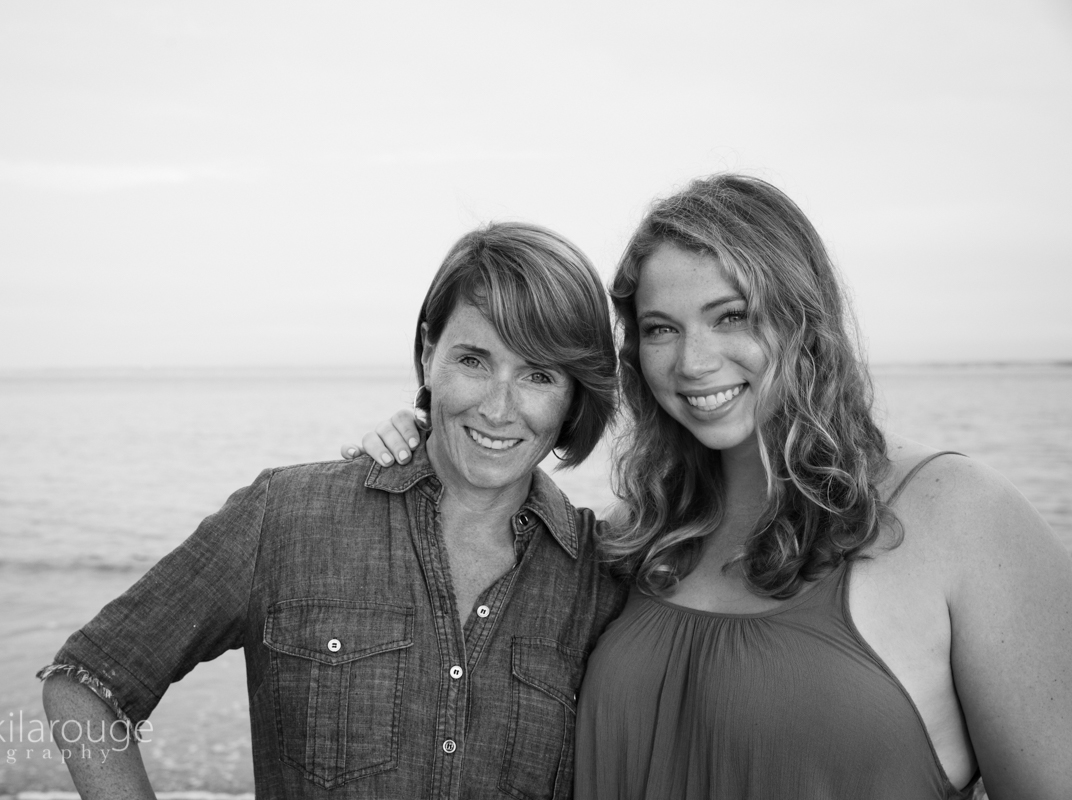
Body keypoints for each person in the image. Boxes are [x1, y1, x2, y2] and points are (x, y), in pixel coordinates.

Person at [346, 175, 1072, 799]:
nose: (694, 362)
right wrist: (424, 447)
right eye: (661, 329)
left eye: (731, 316)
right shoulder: (633, 540)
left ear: (802, 317)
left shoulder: (963, 516)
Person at [38, 222, 628, 799]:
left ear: (575, 393)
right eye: (473, 360)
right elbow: (87, 684)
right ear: (429, 353)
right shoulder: (287, 517)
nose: (499, 408)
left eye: (539, 375)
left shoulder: (601, 581)